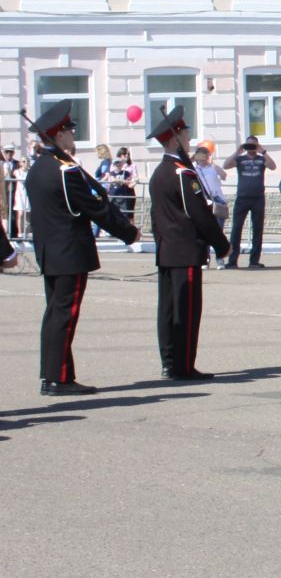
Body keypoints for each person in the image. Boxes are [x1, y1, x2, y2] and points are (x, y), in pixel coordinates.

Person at [26, 102, 140, 394]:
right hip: (70, 252)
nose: (72, 136)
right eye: (69, 131)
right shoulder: (65, 171)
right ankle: (57, 379)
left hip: (50, 251)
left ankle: (55, 374)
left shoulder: (38, 168)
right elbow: (94, 208)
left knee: (55, 313)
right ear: (59, 134)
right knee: (64, 315)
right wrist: (127, 232)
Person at [146, 108, 229, 381]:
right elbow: (200, 215)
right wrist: (221, 244)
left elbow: (156, 217)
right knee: (187, 312)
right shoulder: (183, 174)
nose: (189, 139)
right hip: (186, 251)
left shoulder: (159, 172)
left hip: (167, 250)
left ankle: (170, 362)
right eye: (185, 134)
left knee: (168, 311)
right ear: (175, 138)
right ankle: (182, 366)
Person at [223, 136, 276, 268]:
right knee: (236, 229)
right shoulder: (240, 159)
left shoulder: (261, 158)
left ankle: (254, 261)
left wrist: (263, 151)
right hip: (242, 198)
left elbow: (273, 167)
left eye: (254, 145)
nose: (251, 148)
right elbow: (225, 165)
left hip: (258, 198)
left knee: (258, 229)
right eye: (249, 145)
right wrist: (237, 152)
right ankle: (232, 261)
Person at [193, 145, 228, 238]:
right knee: (205, 230)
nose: (202, 159)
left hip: (217, 199)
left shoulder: (213, 167)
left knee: (218, 230)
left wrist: (212, 163)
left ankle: (220, 250)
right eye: (200, 157)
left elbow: (224, 176)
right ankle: (206, 251)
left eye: (204, 156)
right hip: (203, 200)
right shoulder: (195, 170)